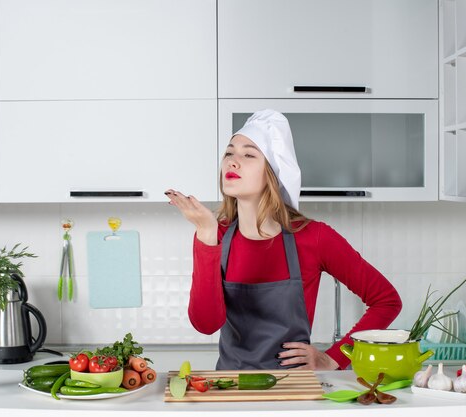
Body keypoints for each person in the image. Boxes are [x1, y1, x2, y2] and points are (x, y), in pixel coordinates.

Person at [165, 109, 401, 370]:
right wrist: (206, 235)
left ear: (273, 173)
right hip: (230, 389)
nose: (232, 161)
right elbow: (205, 324)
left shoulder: (314, 237)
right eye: (229, 152)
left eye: (249, 154)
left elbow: (387, 300)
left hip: (295, 390)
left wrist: (333, 357)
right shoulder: (215, 234)